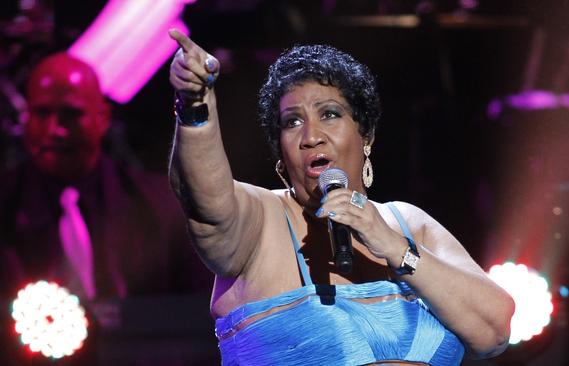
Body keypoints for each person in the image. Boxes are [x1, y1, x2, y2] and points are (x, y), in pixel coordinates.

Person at [168, 29, 515, 365]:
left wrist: (393, 247)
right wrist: (195, 107)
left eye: (330, 114)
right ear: (281, 153)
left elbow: (493, 331)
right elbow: (204, 200)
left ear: (366, 137)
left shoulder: (408, 224)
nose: (310, 136)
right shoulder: (260, 221)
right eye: (292, 122)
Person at [0, 53, 210, 364]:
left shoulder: (161, 206)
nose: (55, 130)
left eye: (71, 115)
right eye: (41, 113)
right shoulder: (6, 204)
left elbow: (201, 315)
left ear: (102, 117)